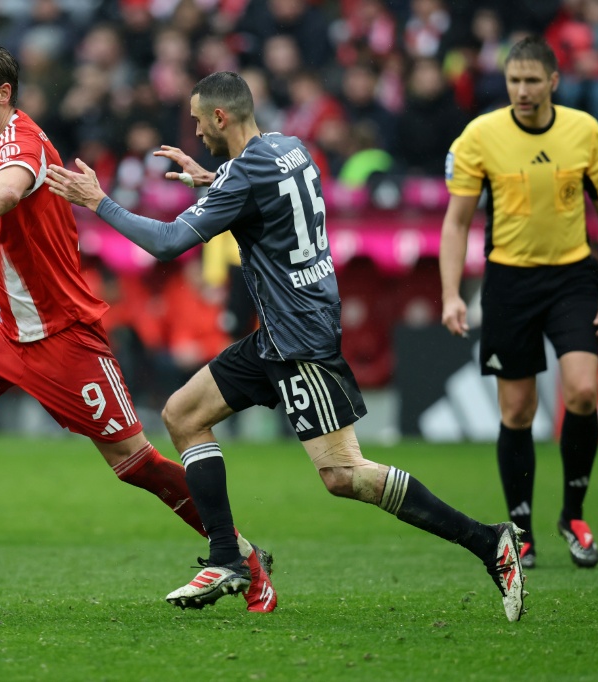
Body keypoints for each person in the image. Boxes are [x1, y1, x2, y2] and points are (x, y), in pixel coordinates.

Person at [46, 70, 528, 622]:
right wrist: (214, 180)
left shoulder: (243, 174)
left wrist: (98, 201)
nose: (197, 131)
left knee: (343, 474)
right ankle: (228, 556)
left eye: (201, 122)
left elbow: (169, 242)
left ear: (221, 117)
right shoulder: (289, 148)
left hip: (300, 338)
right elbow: (260, 190)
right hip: (280, 332)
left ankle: (488, 541)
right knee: (183, 413)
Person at [0, 43, 276, 612]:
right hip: (0, 327)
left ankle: (240, 555)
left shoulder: (25, 145)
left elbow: (9, 188)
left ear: (3, 94)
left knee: (135, 465)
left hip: (64, 337)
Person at [439, 36, 598, 570]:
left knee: (584, 393)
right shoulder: (481, 134)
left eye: (530, 80)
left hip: (572, 277)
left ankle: (573, 515)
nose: (520, 90)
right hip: (509, 283)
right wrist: (452, 293)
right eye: (513, 81)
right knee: (518, 410)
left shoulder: (585, 131)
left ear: (553, 82)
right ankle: (520, 530)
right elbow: (456, 223)